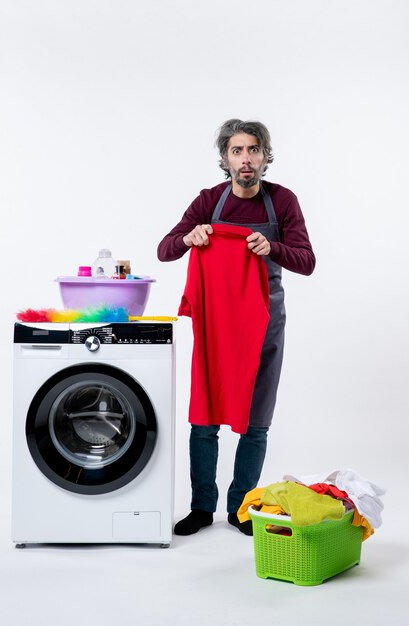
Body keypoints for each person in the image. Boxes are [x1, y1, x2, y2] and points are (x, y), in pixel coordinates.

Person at [157, 119, 316, 536]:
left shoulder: (282, 201)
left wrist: (273, 248)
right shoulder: (209, 200)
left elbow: (307, 261)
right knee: (204, 416)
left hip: (265, 323)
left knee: (257, 418)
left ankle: (241, 508)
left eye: (253, 150)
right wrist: (191, 236)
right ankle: (202, 508)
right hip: (216, 323)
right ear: (225, 158)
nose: (246, 159)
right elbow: (164, 250)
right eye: (237, 151)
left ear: (265, 156)